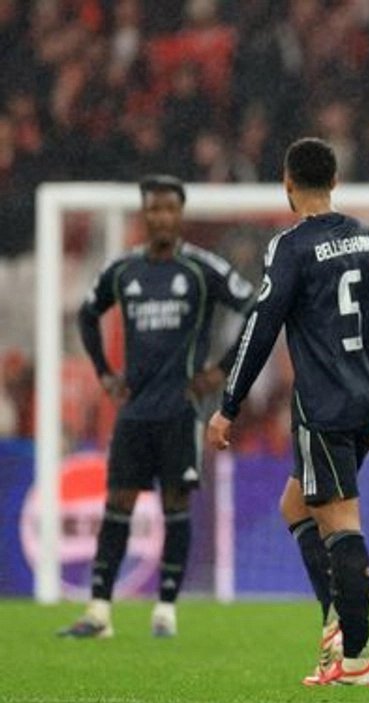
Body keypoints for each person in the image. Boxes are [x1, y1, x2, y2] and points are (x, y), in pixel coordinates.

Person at [207, 137, 369, 687]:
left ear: (287, 184)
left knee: (341, 522)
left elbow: (261, 324)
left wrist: (228, 405)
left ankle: (357, 657)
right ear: (335, 181)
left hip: (324, 405)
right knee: (295, 506)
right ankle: (337, 625)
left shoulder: (290, 247)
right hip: (365, 398)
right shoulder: (368, 238)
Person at [60, 174, 256, 639]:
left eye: (170, 208)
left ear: (180, 214)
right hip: (134, 411)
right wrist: (104, 373)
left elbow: (255, 308)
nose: (162, 217)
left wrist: (223, 369)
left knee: (175, 505)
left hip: (181, 411)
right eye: (154, 209)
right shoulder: (124, 270)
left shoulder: (201, 268)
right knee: (118, 504)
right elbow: (87, 314)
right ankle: (99, 612)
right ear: (145, 214)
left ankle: (166, 610)